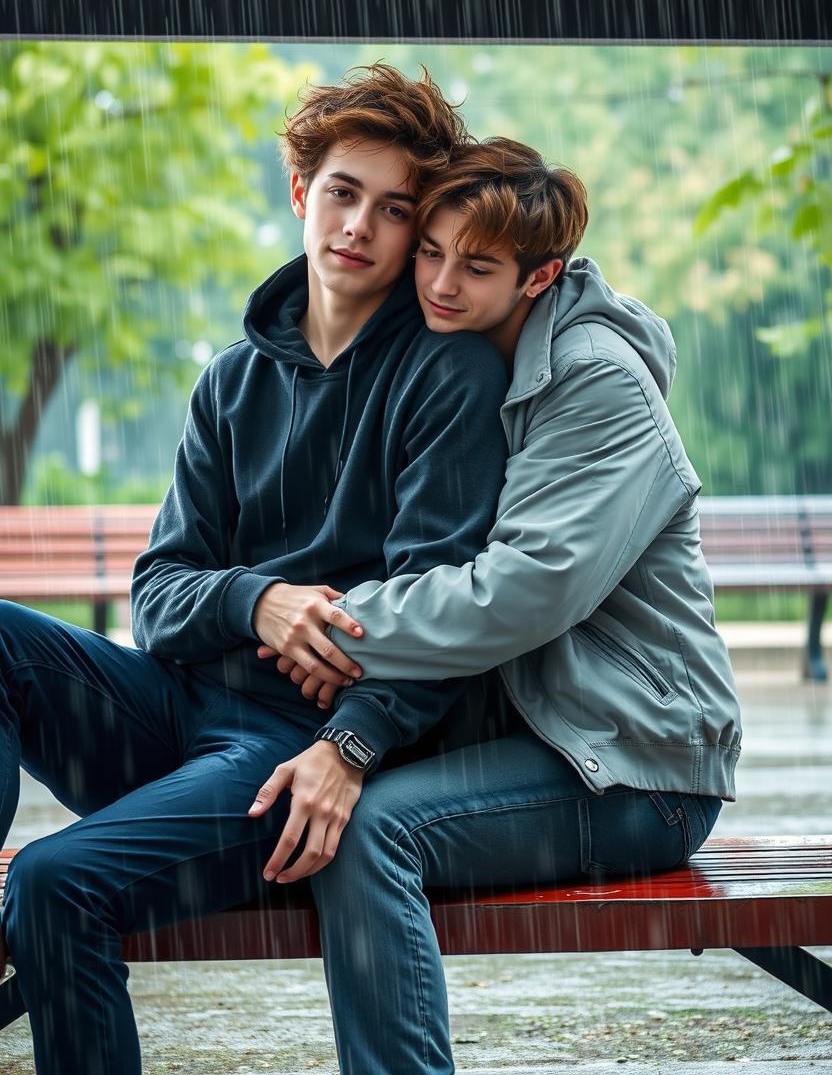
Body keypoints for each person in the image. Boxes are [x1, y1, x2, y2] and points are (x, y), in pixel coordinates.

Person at [0, 66, 511, 1075]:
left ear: (416, 233)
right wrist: (261, 600)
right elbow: (161, 594)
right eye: (341, 191)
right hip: (175, 714)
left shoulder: (447, 374)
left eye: (394, 208)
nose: (359, 223)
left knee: (59, 879)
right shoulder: (233, 380)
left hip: (291, 758)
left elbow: (443, 613)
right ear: (299, 194)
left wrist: (352, 738)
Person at [259, 137, 743, 1075]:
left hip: (640, 768)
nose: (438, 282)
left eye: (475, 267)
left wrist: (336, 627)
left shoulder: (597, 381)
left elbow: (523, 595)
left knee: (373, 831)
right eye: (431, 251)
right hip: (551, 740)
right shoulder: (477, 354)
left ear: (539, 276)